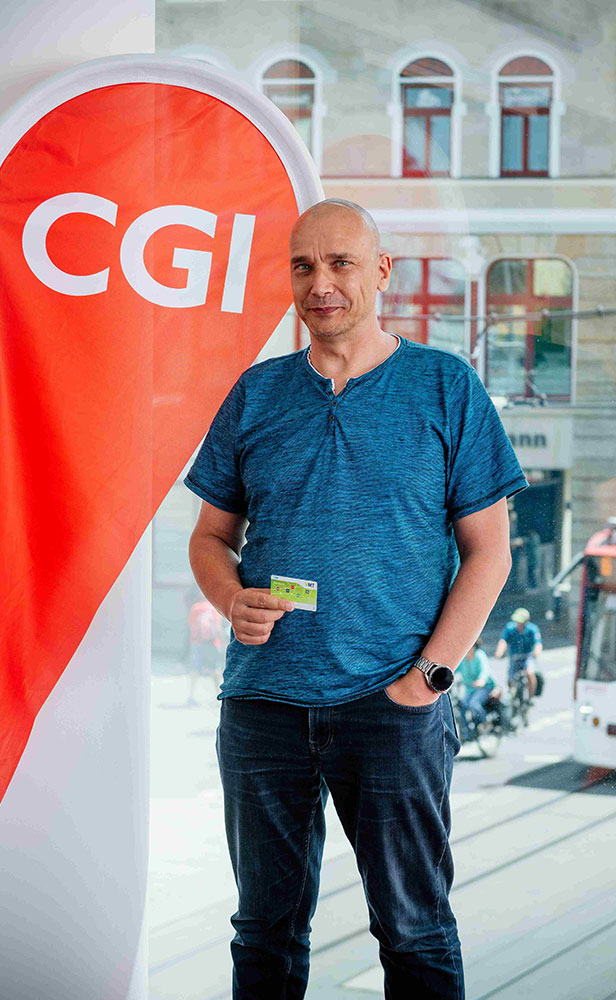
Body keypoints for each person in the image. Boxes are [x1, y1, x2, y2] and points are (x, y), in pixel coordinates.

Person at [186, 199, 526, 999]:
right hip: (264, 705)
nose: (321, 283)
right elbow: (209, 538)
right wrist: (231, 597)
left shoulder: (445, 386)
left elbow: (490, 552)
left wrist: (428, 679)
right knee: (263, 937)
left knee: (414, 932)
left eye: (341, 263)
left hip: (391, 705)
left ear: (381, 271)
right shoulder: (257, 393)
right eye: (304, 266)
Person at [495, 607, 542, 704]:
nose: (519, 624)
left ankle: (530, 698)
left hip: (528, 656)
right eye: (517, 621)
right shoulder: (510, 628)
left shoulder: (532, 629)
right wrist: (499, 652)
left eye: (521, 621)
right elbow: (503, 641)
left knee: (530, 673)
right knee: (511, 678)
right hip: (515, 656)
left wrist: (536, 652)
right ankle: (512, 696)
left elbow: (537, 643)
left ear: (526, 621)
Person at [186, 595, 226, 704]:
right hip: (213, 643)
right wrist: (223, 643)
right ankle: (218, 695)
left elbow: (191, 626)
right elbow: (218, 627)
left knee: (195, 669)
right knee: (215, 669)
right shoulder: (214, 607)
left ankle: (191, 696)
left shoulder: (195, 608)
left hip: (197, 642)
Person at [454, 640, 495, 739]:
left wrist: (481, 680)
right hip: (470, 689)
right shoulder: (463, 657)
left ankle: (485, 722)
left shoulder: (479, 655)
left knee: (474, 704)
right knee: (461, 707)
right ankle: (467, 734)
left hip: (484, 687)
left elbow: (485, 670)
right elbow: (455, 669)